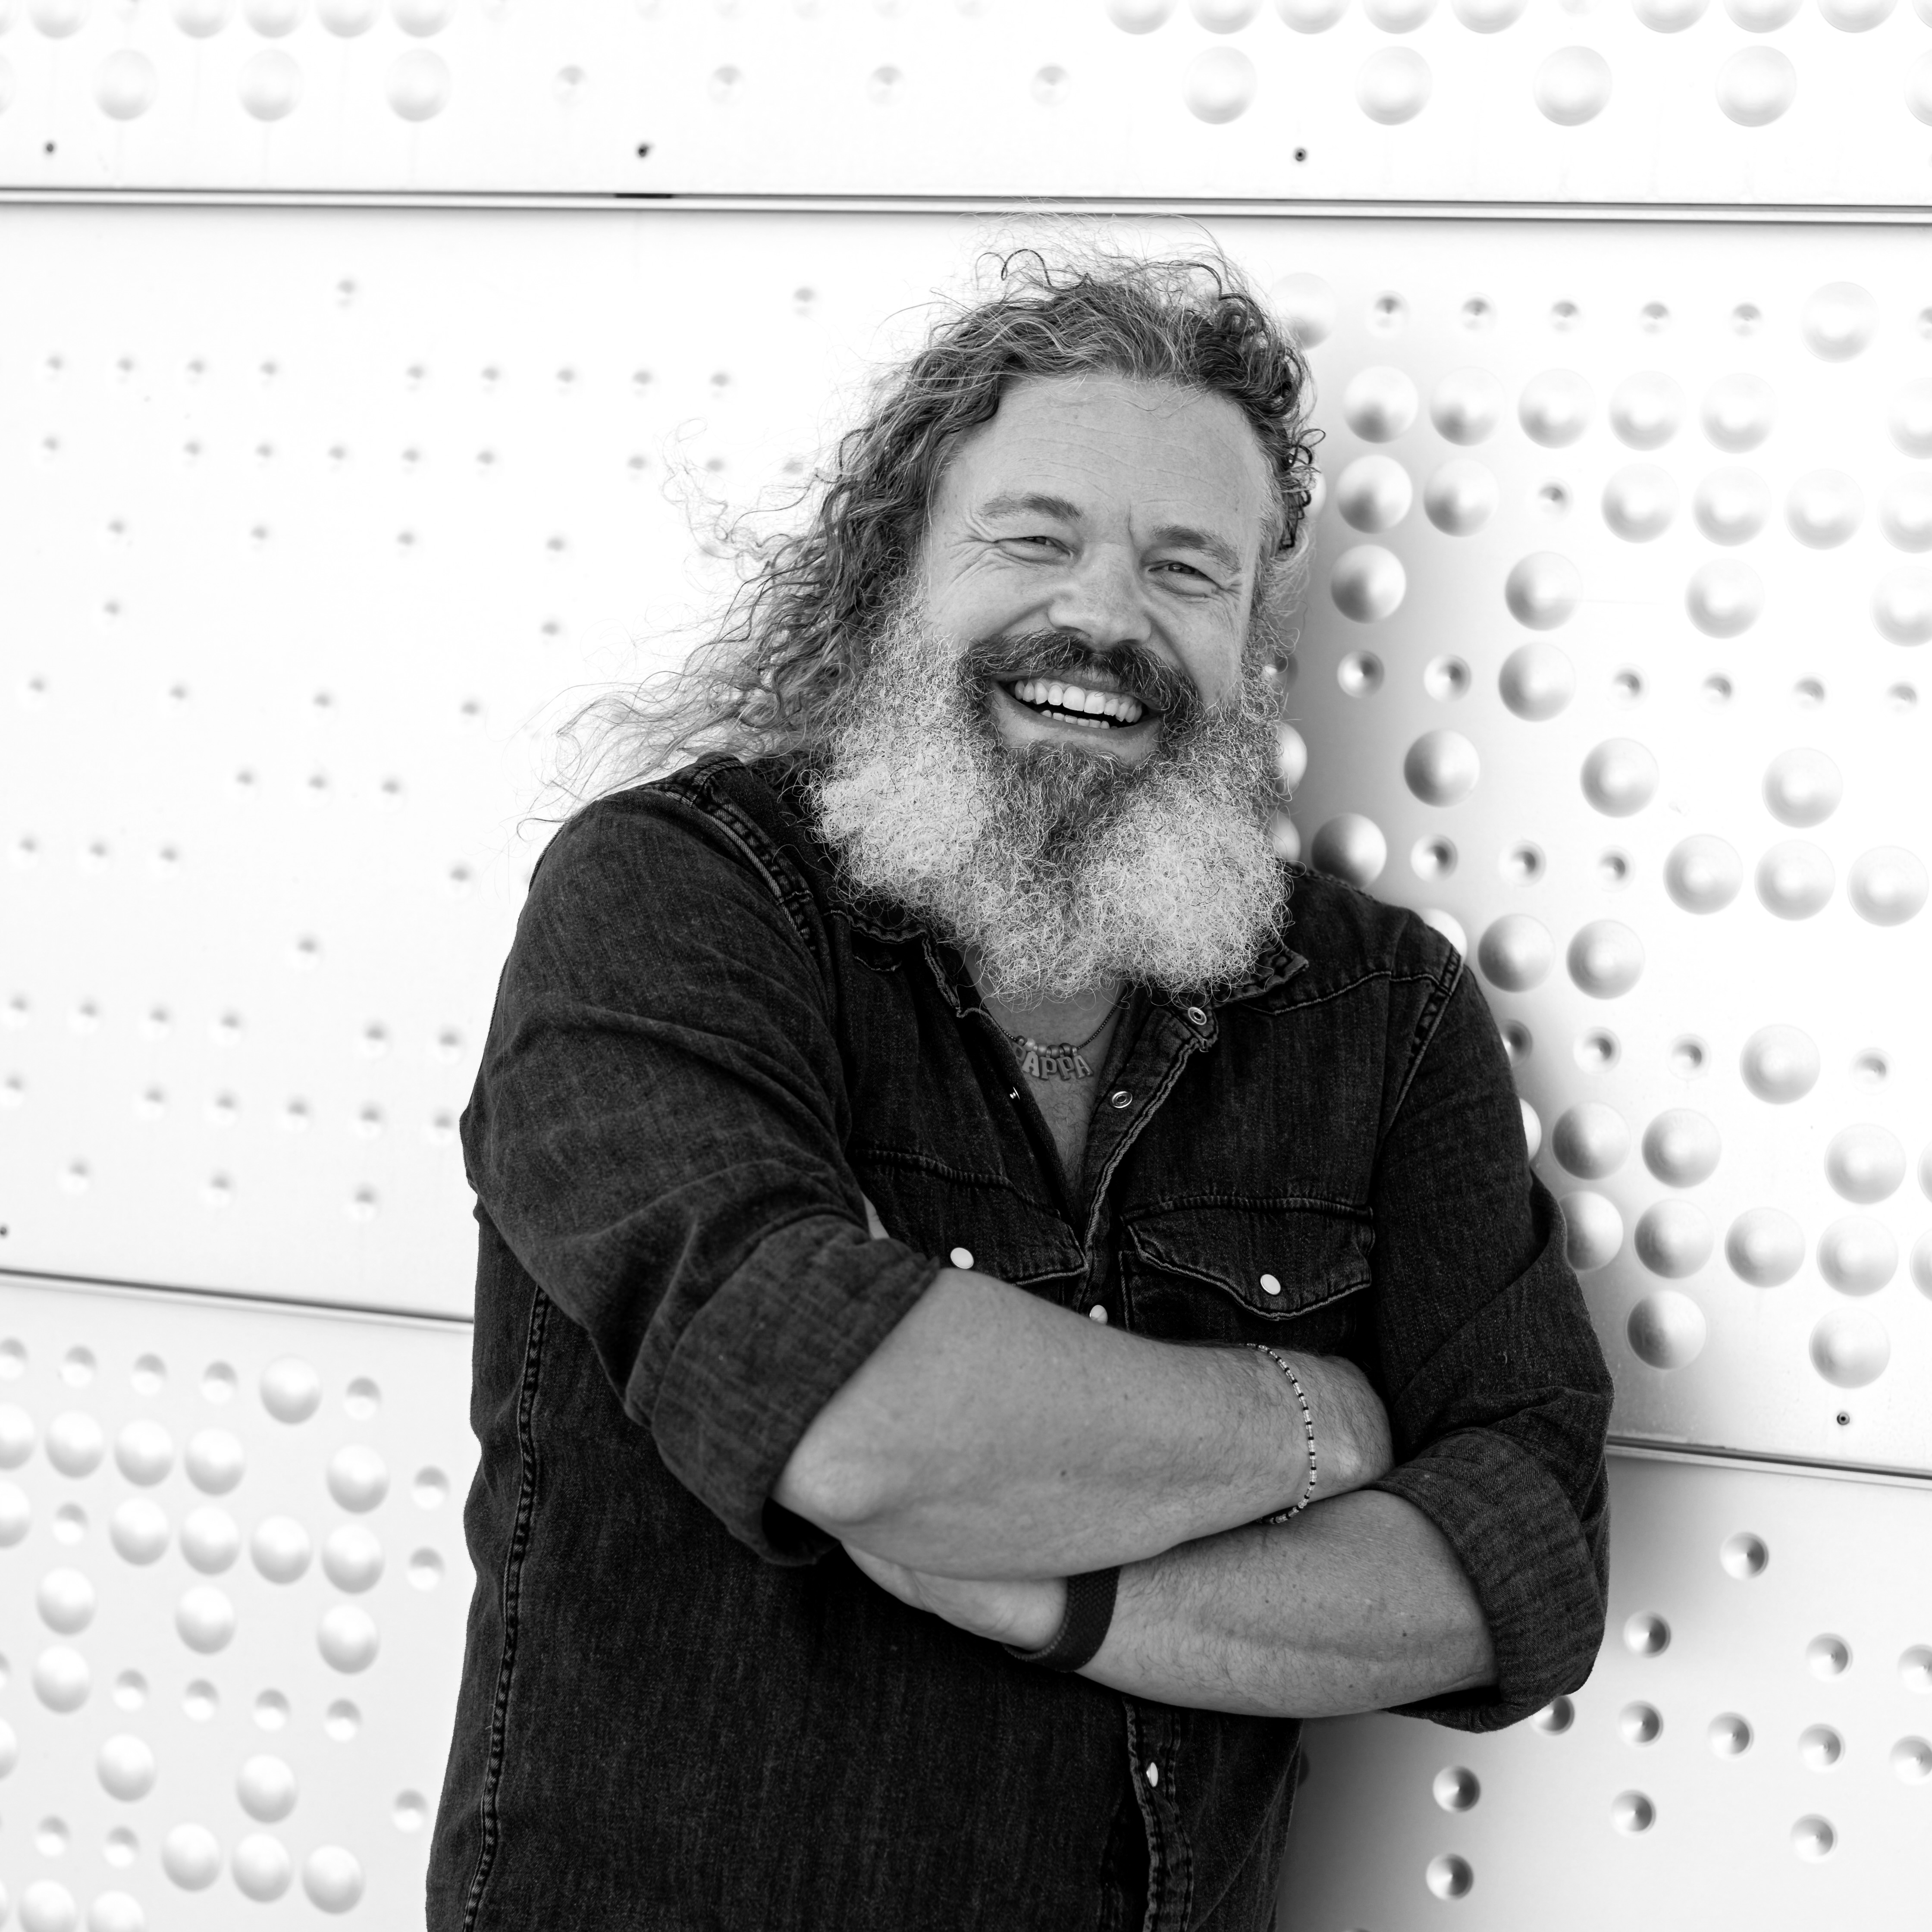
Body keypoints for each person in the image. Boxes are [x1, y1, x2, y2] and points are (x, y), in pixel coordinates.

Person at [427, 246, 1613, 1932]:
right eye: (1034, 540)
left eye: (1186, 569)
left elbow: (1527, 1563)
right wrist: (1321, 1419)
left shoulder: (1379, 1010)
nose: (1106, 619)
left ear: (1250, 639)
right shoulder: (671, 902)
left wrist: (1058, 1599)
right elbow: (848, 1423)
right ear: (888, 579)